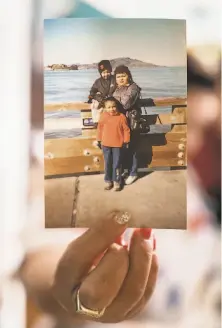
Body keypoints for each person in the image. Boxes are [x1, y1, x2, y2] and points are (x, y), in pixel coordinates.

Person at [113, 65, 141, 185]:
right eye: (118, 76)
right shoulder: (116, 88)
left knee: (133, 148)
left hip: (131, 122)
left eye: (123, 75)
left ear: (128, 76)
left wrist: (111, 102)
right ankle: (125, 171)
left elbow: (125, 104)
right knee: (122, 148)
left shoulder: (133, 88)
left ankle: (133, 173)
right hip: (120, 123)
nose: (121, 78)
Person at [97, 97, 130, 191]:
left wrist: (126, 141)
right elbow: (100, 128)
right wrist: (99, 140)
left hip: (118, 145)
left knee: (117, 164)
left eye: (114, 107)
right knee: (107, 163)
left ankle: (117, 181)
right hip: (106, 144)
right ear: (105, 108)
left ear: (117, 107)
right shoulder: (103, 116)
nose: (112, 109)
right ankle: (108, 181)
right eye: (109, 107)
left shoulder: (121, 117)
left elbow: (126, 130)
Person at [87, 60, 116, 124]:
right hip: (102, 100)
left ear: (110, 71)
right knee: (95, 105)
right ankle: (96, 121)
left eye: (107, 72)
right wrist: (91, 96)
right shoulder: (98, 82)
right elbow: (93, 90)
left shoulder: (114, 79)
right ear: (100, 73)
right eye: (103, 73)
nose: (106, 74)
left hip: (112, 100)